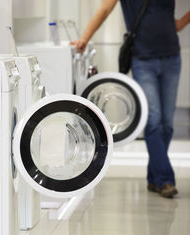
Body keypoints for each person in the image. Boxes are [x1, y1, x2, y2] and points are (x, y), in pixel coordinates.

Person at [72, 0, 190, 198]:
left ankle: (154, 177)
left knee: (167, 124)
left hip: (172, 58)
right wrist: (84, 39)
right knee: (153, 120)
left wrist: (182, 22)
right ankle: (165, 179)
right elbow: (104, 9)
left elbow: (173, 21)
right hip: (143, 61)